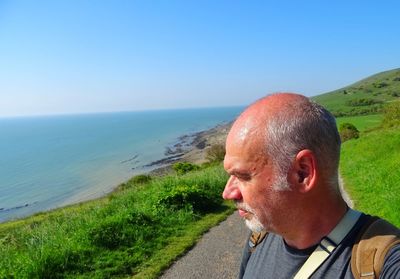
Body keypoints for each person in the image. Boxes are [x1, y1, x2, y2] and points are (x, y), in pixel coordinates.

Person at [222, 93, 400, 278]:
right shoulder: (258, 241)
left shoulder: (384, 262)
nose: (228, 193)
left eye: (242, 176)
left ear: (303, 173)